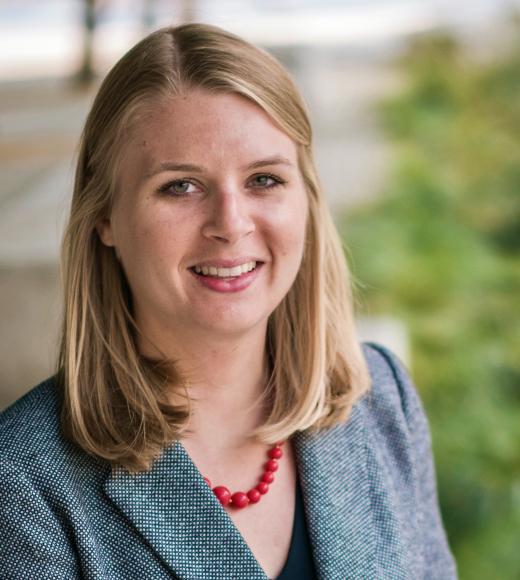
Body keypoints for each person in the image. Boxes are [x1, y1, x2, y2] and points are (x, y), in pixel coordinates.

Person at [0, 23, 457, 580]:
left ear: (307, 202)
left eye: (264, 179)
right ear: (105, 217)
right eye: (180, 187)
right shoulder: (23, 483)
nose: (231, 224)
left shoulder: (382, 398)